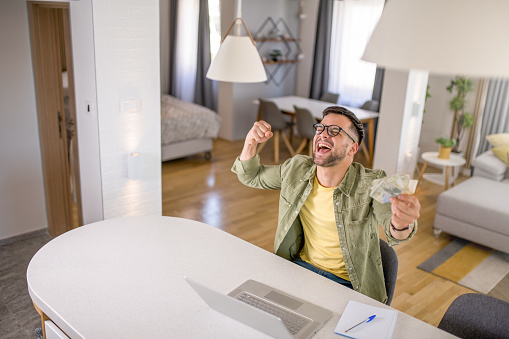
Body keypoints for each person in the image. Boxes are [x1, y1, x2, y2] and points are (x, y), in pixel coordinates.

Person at [231, 106, 420, 304]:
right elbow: (250, 175)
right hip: (300, 269)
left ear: (352, 148)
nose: (323, 135)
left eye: (334, 131)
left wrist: (402, 222)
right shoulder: (295, 168)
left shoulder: (376, 181)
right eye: (320, 129)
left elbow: (396, 230)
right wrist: (249, 143)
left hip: (349, 286)